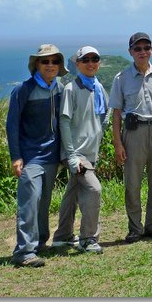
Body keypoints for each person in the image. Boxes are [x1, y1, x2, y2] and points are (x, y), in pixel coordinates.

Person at [109, 32, 152, 243]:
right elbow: (116, 113)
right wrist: (118, 143)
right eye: (137, 49)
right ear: (130, 51)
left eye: (146, 48)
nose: (142, 52)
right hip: (134, 133)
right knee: (133, 183)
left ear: (151, 50)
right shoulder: (121, 78)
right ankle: (135, 228)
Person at [5, 43, 67, 268]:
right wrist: (16, 156)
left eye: (54, 61)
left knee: (43, 202)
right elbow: (12, 125)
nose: (50, 65)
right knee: (29, 203)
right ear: (37, 65)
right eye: (45, 61)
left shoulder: (59, 88)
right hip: (30, 156)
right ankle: (23, 251)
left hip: (52, 155)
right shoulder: (24, 89)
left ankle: (39, 243)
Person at [51, 46, 110, 255]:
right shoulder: (71, 89)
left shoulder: (99, 88)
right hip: (76, 153)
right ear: (77, 63)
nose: (91, 63)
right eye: (85, 59)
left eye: (95, 59)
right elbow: (64, 122)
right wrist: (72, 155)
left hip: (89, 152)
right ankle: (88, 238)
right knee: (94, 189)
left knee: (73, 191)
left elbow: (103, 117)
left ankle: (63, 236)